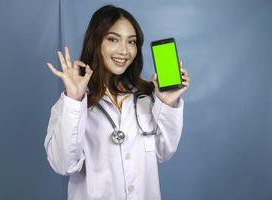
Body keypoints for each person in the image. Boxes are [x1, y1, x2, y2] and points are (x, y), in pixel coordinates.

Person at [44, 4, 190, 200]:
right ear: (96, 42)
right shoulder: (73, 103)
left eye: (131, 42)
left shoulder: (145, 98)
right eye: (113, 39)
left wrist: (167, 104)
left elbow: (163, 152)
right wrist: (74, 99)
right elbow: (63, 164)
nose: (124, 51)